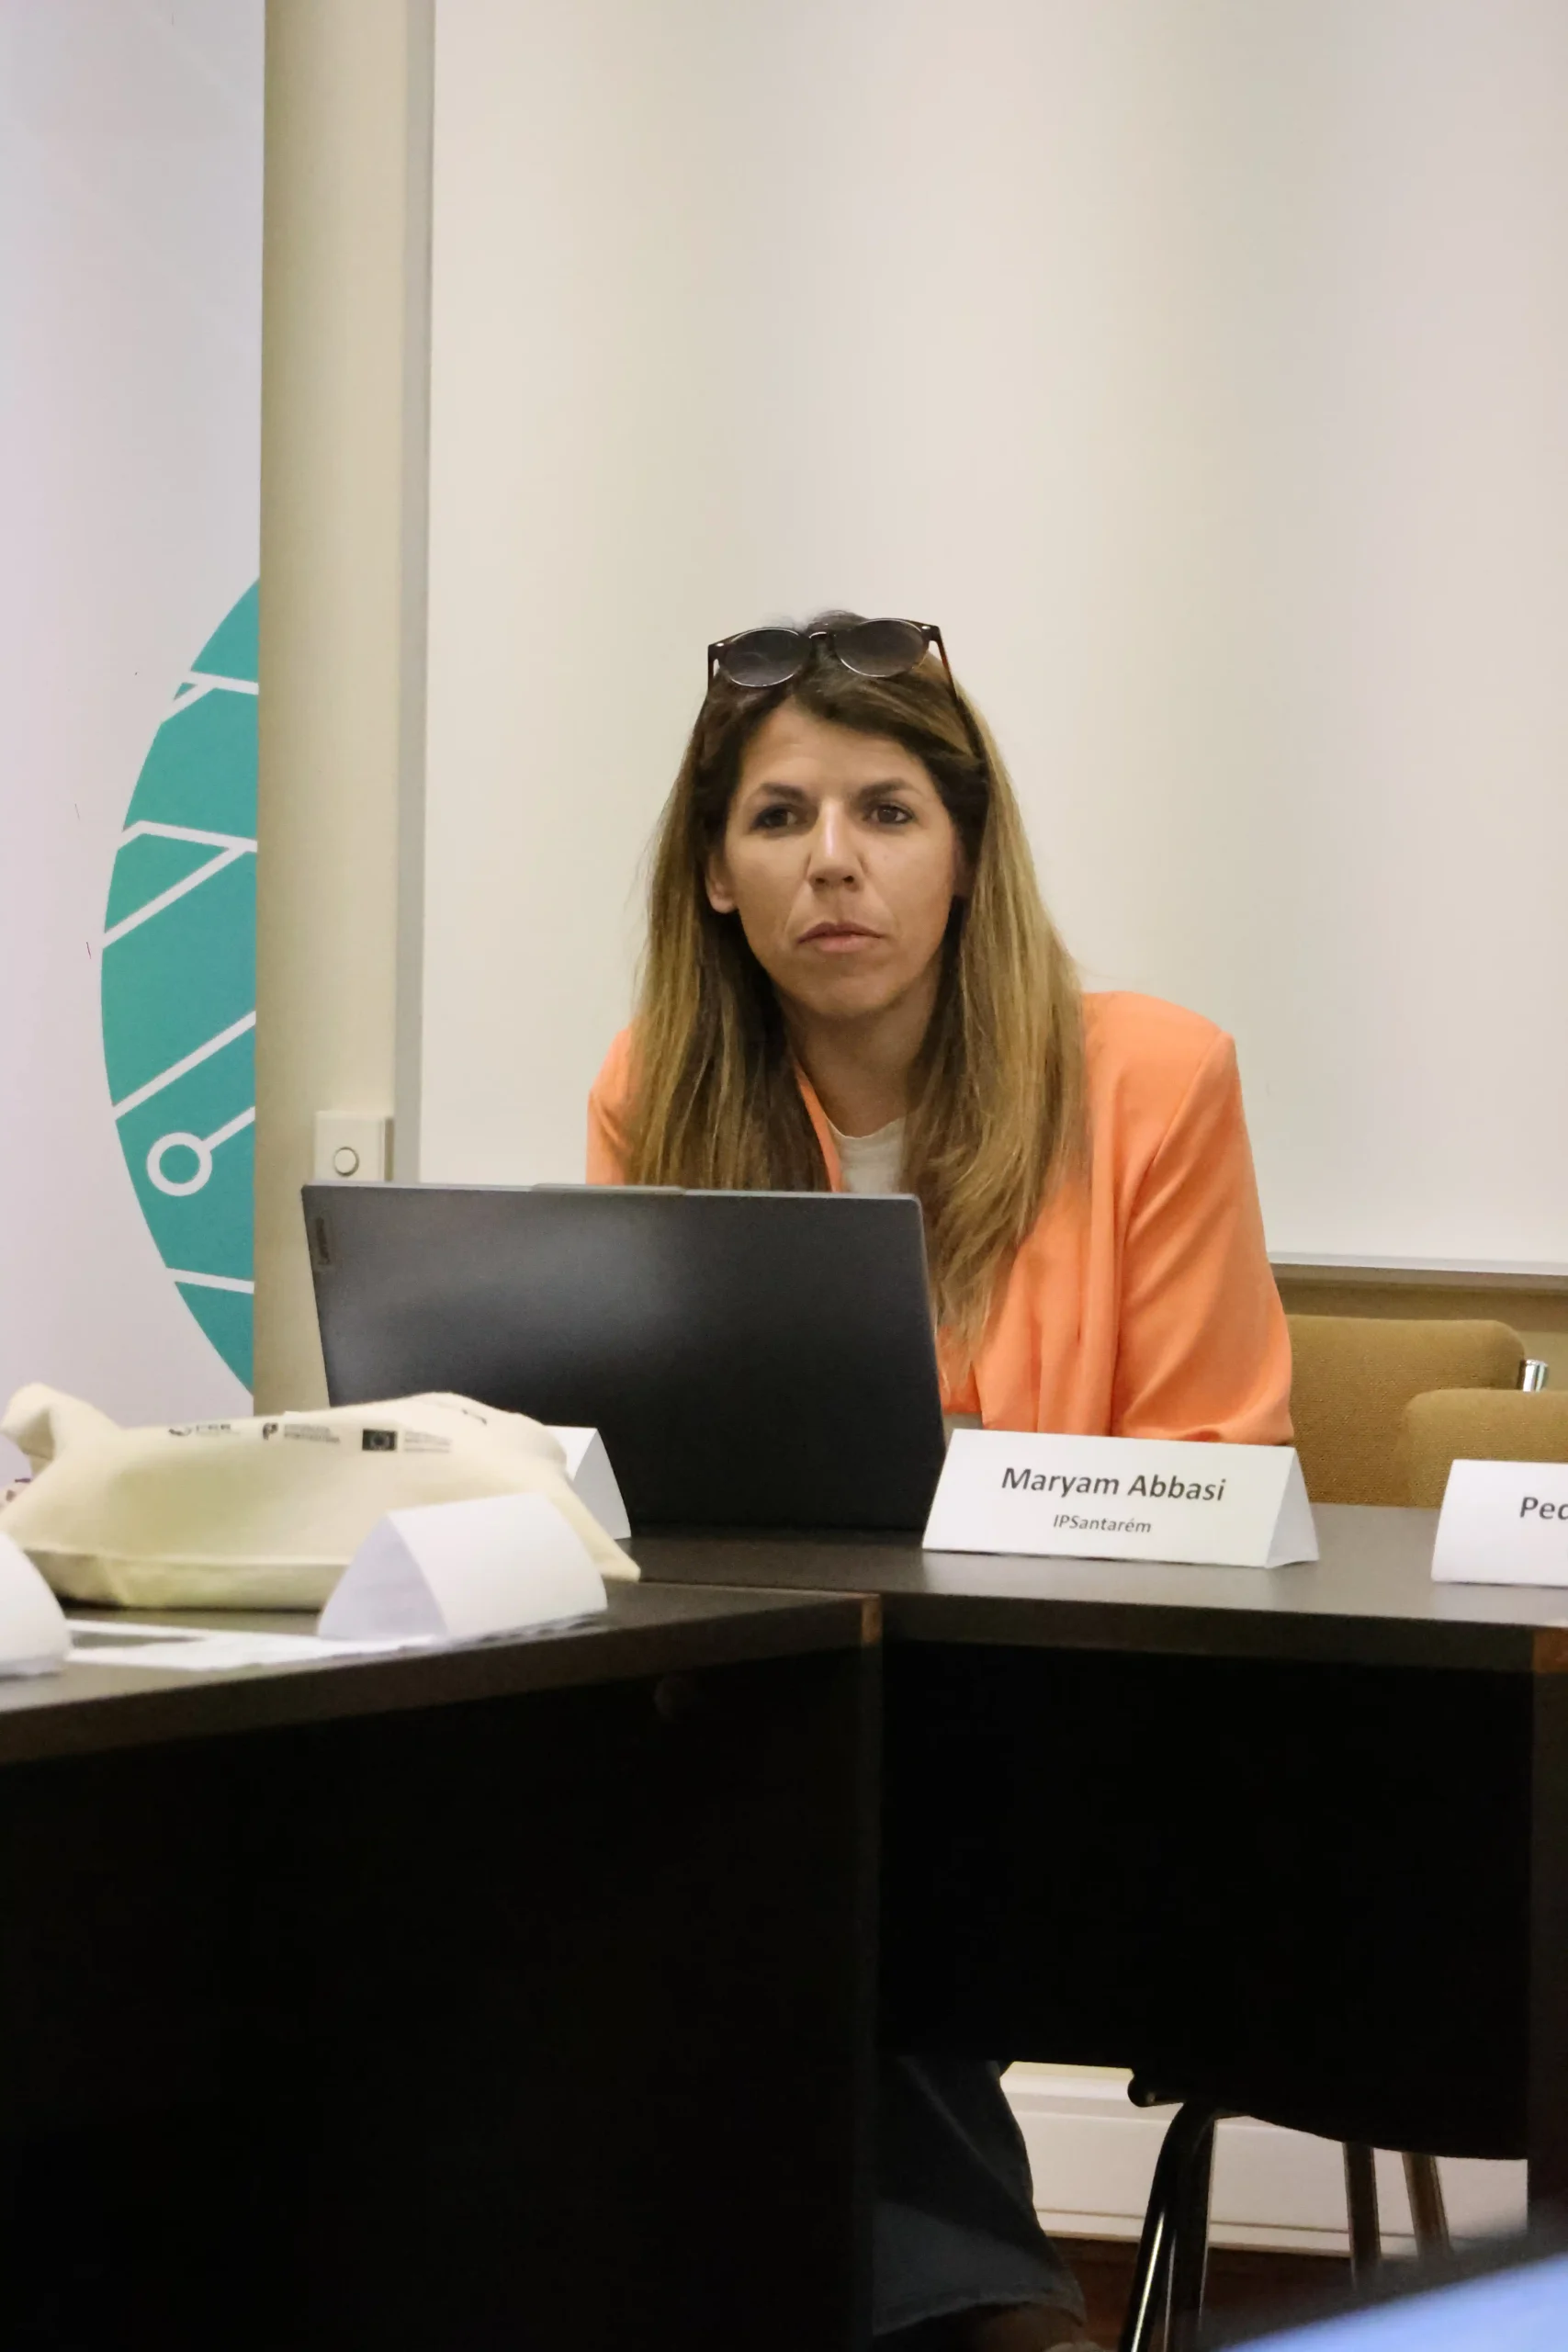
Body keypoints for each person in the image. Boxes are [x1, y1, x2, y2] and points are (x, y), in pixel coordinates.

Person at [586, 614, 1292, 2351]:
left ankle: (994, 2321)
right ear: (715, 878)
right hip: (797, 1714)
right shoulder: (653, 1093)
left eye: (887, 812)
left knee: (776, 1834)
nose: (832, 861)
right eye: (778, 817)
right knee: (635, 1815)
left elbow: (1222, 1474)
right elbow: (644, 1480)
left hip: (1095, 1723)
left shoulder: (1150, 1079)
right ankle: (990, 2317)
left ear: (966, 857)